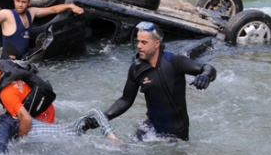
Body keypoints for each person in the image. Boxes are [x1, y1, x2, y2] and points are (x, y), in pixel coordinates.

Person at [84, 21, 217, 141]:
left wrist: (205, 75)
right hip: (150, 130)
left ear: (157, 44)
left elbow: (207, 68)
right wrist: (104, 117)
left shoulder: (174, 62)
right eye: (138, 41)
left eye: (144, 42)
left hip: (176, 133)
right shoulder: (136, 69)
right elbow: (126, 100)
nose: (139, 46)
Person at [0, 0, 84, 60]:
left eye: (23, 2)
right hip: (8, 62)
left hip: (24, 60)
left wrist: (70, 6)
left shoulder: (32, 12)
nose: (20, 4)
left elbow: (53, 10)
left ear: (29, 3)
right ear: (14, 1)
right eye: (17, 1)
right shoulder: (7, 15)